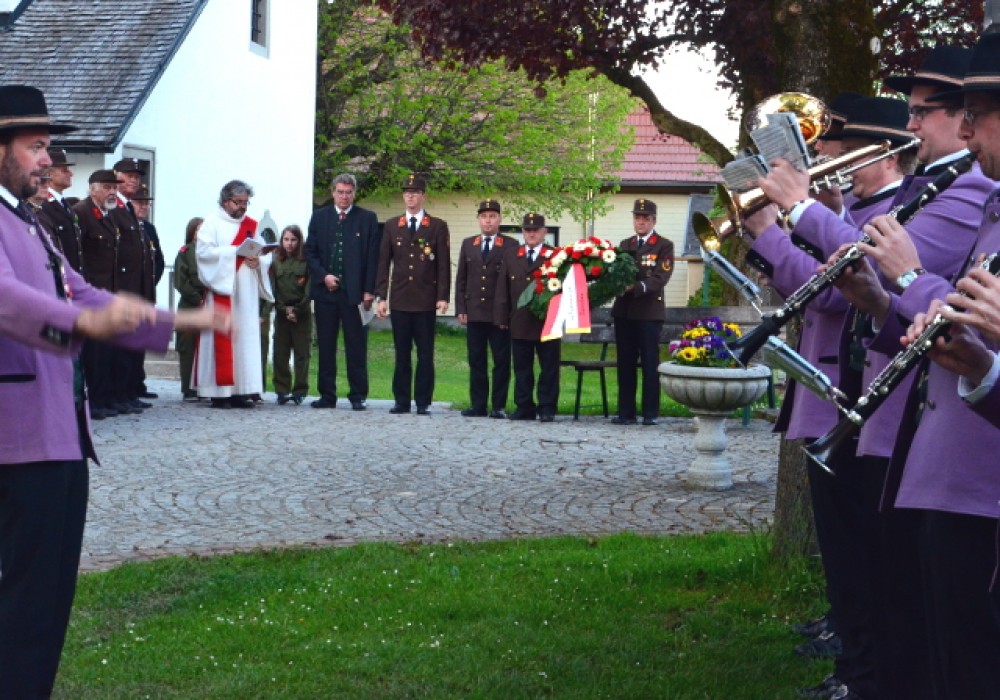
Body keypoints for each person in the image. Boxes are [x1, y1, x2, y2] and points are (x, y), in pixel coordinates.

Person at [756, 44, 991, 700]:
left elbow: (927, 291)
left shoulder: (968, 189)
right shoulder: (939, 186)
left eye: (929, 114)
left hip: (951, 450)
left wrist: (799, 216)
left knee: (926, 620)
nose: (915, 127)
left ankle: (864, 675)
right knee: (897, 601)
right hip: (924, 434)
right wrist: (888, 298)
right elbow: (879, 291)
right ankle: (861, 669)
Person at [0, 83, 224, 700]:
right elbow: (11, 299)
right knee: (23, 602)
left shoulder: (31, 221)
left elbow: (86, 293)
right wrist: (80, 323)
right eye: (36, 147)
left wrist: (176, 322)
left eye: (48, 148)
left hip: (60, 440)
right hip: (17, 442)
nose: (47, 160)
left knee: (46, 603)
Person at [828, 35, 1000, 700]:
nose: (962, 130)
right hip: (946, 459)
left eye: (974, 113)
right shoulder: (990, 205)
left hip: (977, 480)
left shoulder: (965, 194)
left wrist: (907, 279)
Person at [742, 97, 915, 700]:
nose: (829, 165)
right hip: (830, 397)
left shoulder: (897, 210)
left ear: (883, 154)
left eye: (841, 155)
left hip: (860, 403)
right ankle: (854, 662)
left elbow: (832, 297)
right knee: (846, 558)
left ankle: (863, 675)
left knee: (863, 558)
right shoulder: (850, 211)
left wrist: (770, 234)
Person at [193, 180, 274, 408]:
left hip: (246, 292)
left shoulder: (251, 224)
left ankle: (242, 390)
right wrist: (234, 253)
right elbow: (204, 254)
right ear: (225, 200)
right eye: (238, 202)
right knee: (223, 337)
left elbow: (263, 251)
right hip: (223, 290)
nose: (242, 207)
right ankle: (219, 393)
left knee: (244, 339)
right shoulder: (211, 223)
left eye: (246, 203)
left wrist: (258, 260)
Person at [375, 173, 451, 415]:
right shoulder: (391, 225)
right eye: (407, 192)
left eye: (415, 192)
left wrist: (442, 296)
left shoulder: (437, 226)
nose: (410, 196)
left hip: (425, 299)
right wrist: (382, 297)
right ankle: (401, 400)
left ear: (423, 196)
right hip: (399, 299)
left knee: (425, 354)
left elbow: (442, 264)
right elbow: (383, 263)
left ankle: (422, 401)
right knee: (402, 353)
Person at [305, 173, 380, 410]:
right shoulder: (320, 217)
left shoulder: (367, 218)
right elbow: (310, 252)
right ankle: (327, 395)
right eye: (340, 192)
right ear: (333, 192)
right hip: (326, 293)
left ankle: (357, 395)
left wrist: (369, 290)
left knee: (356, 346)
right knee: (326, 346)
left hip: (355, 294)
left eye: (348, 192)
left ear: (354, 193)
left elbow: (373, 257)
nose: (344, 196)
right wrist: (323, 276)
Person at [75, 169, 134, 420]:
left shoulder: (109, 216)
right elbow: (80, 256)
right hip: (93, 293)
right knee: (95, 352)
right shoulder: (82, 213)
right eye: (107, 187)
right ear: (93, 189)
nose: (113, 192)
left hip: (110, 292)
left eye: (115, 187)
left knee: (108, 349)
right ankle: (94, 401)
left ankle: (106, 396)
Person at [610, 198, 674, 426]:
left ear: (653, 221)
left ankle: (650, 413)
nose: (641, 222)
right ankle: (626, 412)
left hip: (648, 313)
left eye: (645, 218)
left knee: (649, 363)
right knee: (625, 364)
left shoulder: (663, 246)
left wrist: (636, 287)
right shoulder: (625, 244)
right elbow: (616, 272)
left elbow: (660, 278)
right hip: (624, 313)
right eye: (637, 217)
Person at [494, 213, 559, 422]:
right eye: (527, 230)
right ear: (523, 232)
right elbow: (503, 288)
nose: (531, 234)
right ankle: (524, 406)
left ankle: (547, 407)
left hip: (547, 321)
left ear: (544, 232)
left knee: (549, 368)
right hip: (520, 320)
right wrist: (501, 316)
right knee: (522, 367)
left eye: (535, 230)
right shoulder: (512, 255)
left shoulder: (556, 256)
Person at [455, 198, 515, 419]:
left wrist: (509, 312)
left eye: (492, 217)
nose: (488, 221)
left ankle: (498, 405)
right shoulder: (468, 244)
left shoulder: (510, 245)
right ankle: (478, 404)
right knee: (476, 360)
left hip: (499, 314)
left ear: (499, 219)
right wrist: (461, 307)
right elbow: (462, 278)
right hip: (475, 311)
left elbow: (512, 281)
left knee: (501, 361)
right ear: (478, 220)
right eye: (484, 217)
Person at [271, 224, 312, 405]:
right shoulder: (276, 261)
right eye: (286, 239)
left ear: (299, 241)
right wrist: (283, 309)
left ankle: (300, 390)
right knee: (280, 352)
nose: (289, 244)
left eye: (293, 240)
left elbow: (309, 289)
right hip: (282, 312)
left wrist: (297, 309)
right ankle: (281, 389)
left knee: (302, 353)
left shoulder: (306, 260)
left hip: (301, 312)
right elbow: (272, 288)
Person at [174, 217, 207, 401]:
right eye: (198, 230)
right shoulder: (185, 253)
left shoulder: (210, 252)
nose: (200, 234)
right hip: (189, 306)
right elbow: (180, 281)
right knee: (187, 348)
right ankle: (188, 388)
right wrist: (197, 298)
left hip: (207, 305)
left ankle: (203, 386)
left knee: (205, 348)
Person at [41, 148, 85, 275]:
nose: (71, 174)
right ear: (49, 174)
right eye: (64, 170)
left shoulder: (65, 205)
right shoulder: (44, 205)